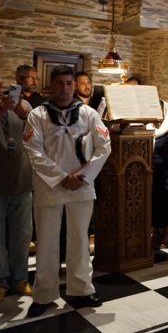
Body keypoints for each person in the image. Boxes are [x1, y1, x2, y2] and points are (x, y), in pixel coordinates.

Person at [23, 65, 111, 317]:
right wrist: (61, 177)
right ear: (51, 85)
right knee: (47, 242)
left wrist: (82, 176)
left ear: (74, 85)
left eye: (69, 83)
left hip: (81, 186)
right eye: (59, 83)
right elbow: (33, 151)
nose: (65, 88)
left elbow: (103, 147)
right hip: (48, 187)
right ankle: (44, 294)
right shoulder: (37, 115)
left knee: (80, 240)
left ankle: (81, 290)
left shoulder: (89, 114)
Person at [0, 66, 33, 305]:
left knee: (22, 235)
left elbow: (35, 131)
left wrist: (23, 112)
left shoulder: (18, 103)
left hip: (21, 181)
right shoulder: (0, 108)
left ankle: (20, 278)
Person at [150, 102, 168, 249]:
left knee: (166, 204)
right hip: (151, 173)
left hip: (166, 172)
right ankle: (155, 231)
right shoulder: (149, 129)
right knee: (154, 203)